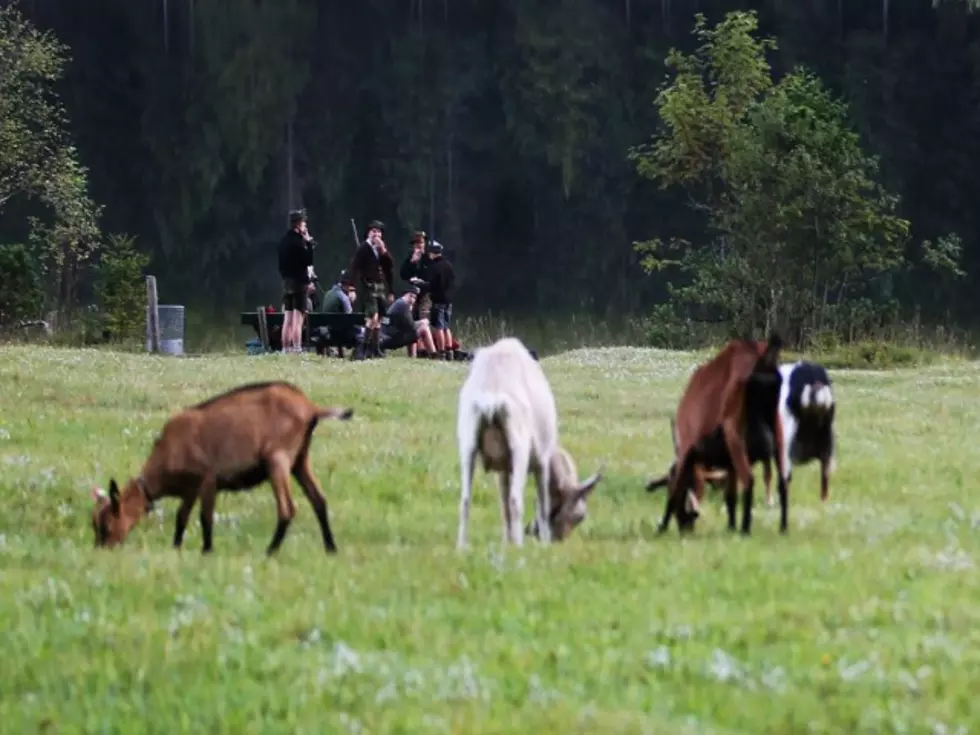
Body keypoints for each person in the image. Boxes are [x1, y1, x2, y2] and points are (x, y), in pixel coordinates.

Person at [349, 219, 394, 359]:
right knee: (372, 316)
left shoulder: (380, 250)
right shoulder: (363, 248)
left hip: (380, 287)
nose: (376, 234)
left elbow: (390, 268)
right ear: (369, 233)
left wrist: (384, 251)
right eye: (374, 231)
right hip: (368, 287)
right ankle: (362, 348)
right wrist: (351, 287)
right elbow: (354, 268)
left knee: (379, 318)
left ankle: (375, 349)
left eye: (379, 232)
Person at [277, 209, 316, 353]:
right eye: (304, 223)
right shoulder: (298, 243)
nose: (305, 227)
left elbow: (281, 266)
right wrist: (309, 244)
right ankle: (297, 348)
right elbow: (308, 260)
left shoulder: (283, 242)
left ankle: (285, 348)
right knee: (298, 318)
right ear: (299, 224)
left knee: (287, 318)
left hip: (287, 283)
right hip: (300, 283)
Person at [381, 287, 438, 357]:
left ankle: (412, 356)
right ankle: (433, 355)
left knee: (417, 328)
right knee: (424, 328)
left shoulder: (399, 303)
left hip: (386, 337)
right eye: (413, 297)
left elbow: (407, 326)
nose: (414, 300)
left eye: (415, 298)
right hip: (389, 339)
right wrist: (423, 322)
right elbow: (411, 327)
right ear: (409, 295)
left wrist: (420, 322)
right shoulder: (403, 305)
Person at [427, 240, 455, 360]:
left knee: (438, 326)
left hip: (438, 300)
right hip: (449, 300)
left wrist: (423, 285)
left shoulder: (435, 267)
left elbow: (433, 285)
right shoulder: (448, 265)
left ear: (433, 253)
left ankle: (441, 352)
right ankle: (450, 351)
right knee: (446, 326)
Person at [400, 230, 431, 321]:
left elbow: (432, 275)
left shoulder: (429, 257)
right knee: (410, 319)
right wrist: (412, 262)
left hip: (426, 293)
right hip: (412, 293)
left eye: (420, 242)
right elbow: (403, 275)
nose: (418, 245)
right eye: (416, 243)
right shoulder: (410, 257)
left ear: (424, 243)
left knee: (423, 319)